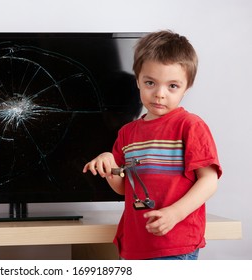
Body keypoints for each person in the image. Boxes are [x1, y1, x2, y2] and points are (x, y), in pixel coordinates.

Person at [82, 30, 222, 260]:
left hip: (174, 244)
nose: (159, 94)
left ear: (187, 87)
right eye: (150, 83)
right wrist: (109, 165)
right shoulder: (128, 133)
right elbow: (124, 188)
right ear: (137, 80)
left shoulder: (190, 126)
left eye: (172, 86)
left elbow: (209, 180)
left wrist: (175, 213)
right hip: (135, 244)